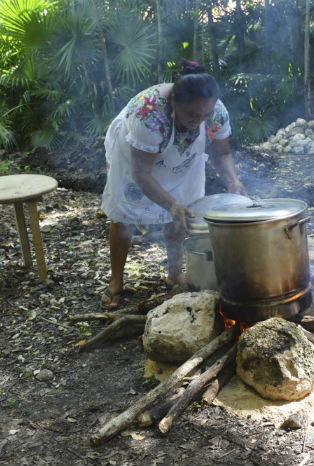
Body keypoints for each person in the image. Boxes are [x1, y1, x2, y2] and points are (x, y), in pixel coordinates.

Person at [100, 60, 247, 309]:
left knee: (182, 211)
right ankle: (116, 280)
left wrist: (233, 181)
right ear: (174, 102)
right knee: (124, 215)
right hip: (135, 156)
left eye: (205, 115)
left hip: (183, 157)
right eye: (191, 114)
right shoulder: (148, 114)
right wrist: (169, 203)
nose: (198, 121)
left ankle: (175, 275)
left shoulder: (216, 112)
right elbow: (141, 173)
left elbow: (221, 153)